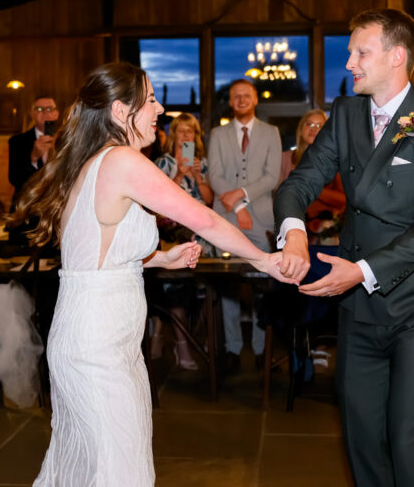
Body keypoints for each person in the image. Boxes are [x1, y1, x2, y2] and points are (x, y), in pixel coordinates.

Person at [17, 62, 289, 486]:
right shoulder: (123, 160)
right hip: (98, 342)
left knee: (94, 466)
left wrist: (159, 259)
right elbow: (205, 219)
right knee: (117, 470)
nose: (160, 109)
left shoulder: (93, 161)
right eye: (151, 100)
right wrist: (263, 259)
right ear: (121, 111)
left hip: (96, 334)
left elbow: (94, 251)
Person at [275, 9, 414, 486]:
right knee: (362, 444)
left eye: (361, 52)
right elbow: (299, 183)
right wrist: (295, 229)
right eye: (350, 53)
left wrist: (360, 270)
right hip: (360, 311)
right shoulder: (345, 115)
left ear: (397, 56)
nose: (350, 63)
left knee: (407, 447)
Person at [207, 79, 281, 367]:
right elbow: (214, 175)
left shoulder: (271, 132)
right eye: (236, 96)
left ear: (255, 100)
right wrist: (238, 207)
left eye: (246, 95)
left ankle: (263, 349)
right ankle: (233, 350)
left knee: (264, 283)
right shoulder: (217, 134)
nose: (241, 100)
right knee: (227, 285)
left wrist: (242, 194)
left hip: (261, 219)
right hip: (225, 218)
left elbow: (271, 177)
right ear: (231, 101)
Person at [152, 112, 214, 370]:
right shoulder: (162, 163)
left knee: (204, 291)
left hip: (201, 232)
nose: (186, 135)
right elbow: (158, 201)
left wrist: (198, 177)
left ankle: (202, 340)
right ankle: (182, 346)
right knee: (175, 291)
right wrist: (179, 174)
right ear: (174, 134)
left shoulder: (204, 163)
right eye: (181, 131)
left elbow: (209, 200)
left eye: (191, 131)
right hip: (174, 234)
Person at [278, 109, 345, 246]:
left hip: (326, 234)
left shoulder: (336, 160)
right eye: (309, 124)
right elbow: (279, 195)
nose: (313, 129)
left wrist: (308, 186)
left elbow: (343, 200)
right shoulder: (285, 158)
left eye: (319, 126)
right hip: (291, 229)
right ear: (301, 128)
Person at [8, 95, 60, 206]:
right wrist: (34, 158)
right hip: (27, 208)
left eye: (49, 109)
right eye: (39, 109)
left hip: (57, 206)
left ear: (56, 114)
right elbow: (14, 179)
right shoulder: (17, 141)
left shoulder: (67, 140)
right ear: (32, 114)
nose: (45, 112)